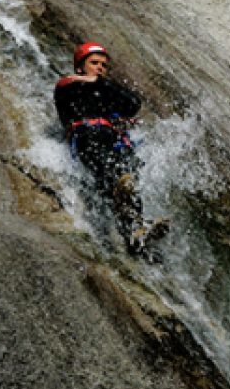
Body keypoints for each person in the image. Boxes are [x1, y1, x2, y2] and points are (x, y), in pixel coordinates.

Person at [54, 41, 169, 255]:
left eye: (104, 65)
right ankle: (132, 228)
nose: (100, 68)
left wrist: (101, 83)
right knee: (112, 177)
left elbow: (133, 104)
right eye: (94, 63)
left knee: (128, 177)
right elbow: (65, 88)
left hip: (112, 141)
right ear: (80, 67)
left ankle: (135, 231)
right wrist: (96, 82)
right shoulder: (68, 85)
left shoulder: (103, 91)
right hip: (87, 137)